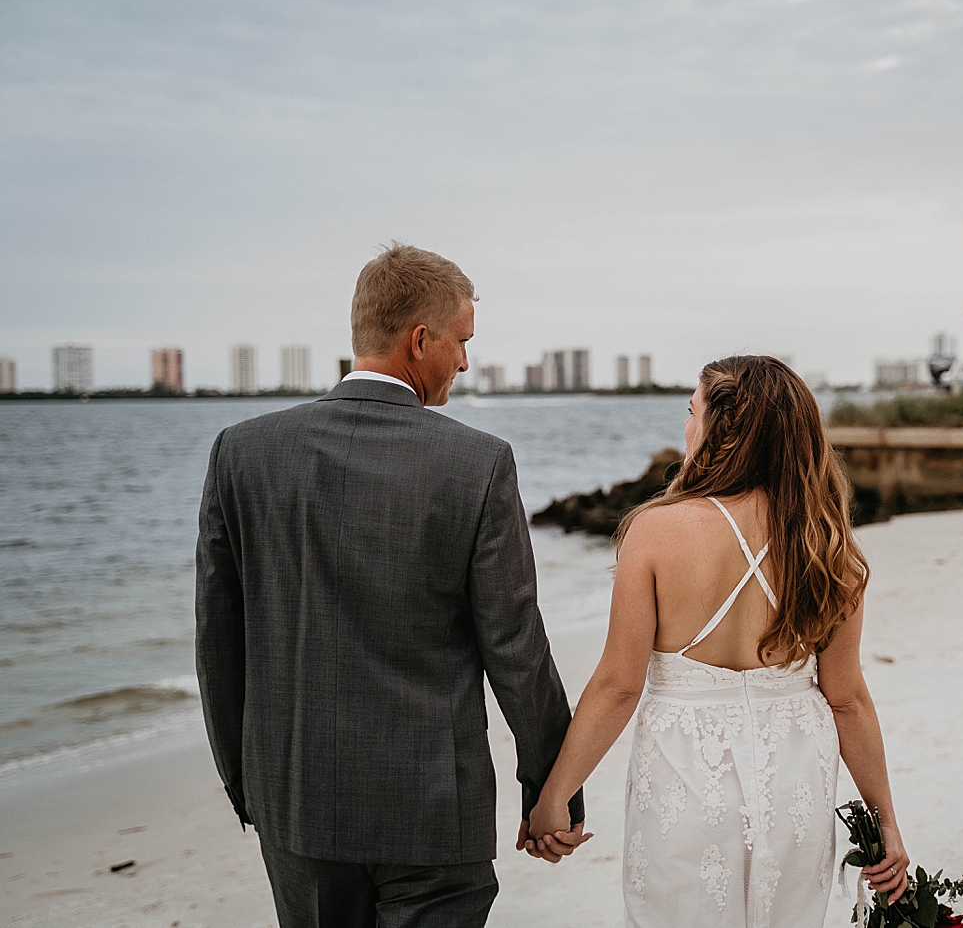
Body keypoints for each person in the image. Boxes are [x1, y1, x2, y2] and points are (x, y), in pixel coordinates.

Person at [195, 243, 586, 928]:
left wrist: (247, 782)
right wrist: (551, 789)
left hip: (298, 804)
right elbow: (516, 646)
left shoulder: (242, 452)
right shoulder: (478, 463)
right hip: (434, 812)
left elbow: (218, 641)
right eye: (461, 341)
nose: (464, 361)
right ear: (419, 339)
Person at [525, 355, 909, 928]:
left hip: (687, 767)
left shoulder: (656, 530)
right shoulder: (826, 544)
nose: (685, 426)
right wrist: (887, 824)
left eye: (691, 410)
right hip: (795, 774)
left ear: (722, 426)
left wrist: (556, 793)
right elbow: (847, 698)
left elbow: (617, 685)